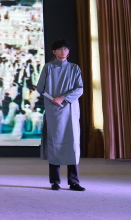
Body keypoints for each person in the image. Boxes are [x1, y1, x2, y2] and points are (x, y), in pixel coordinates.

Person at [36, 39, 85, 191]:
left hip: (70, 109)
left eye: (66, 49)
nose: (63, 51)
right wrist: (52, 98)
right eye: (60, 49)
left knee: (72, 143)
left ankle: (74, 181)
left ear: (68, 52)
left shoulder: (74, 68)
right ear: (54, 51)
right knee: (54, 143)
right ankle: (55, 181)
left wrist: (63, 97)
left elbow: (79, 88)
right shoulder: (48, 68)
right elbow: (40, 88)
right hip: (54, 110)